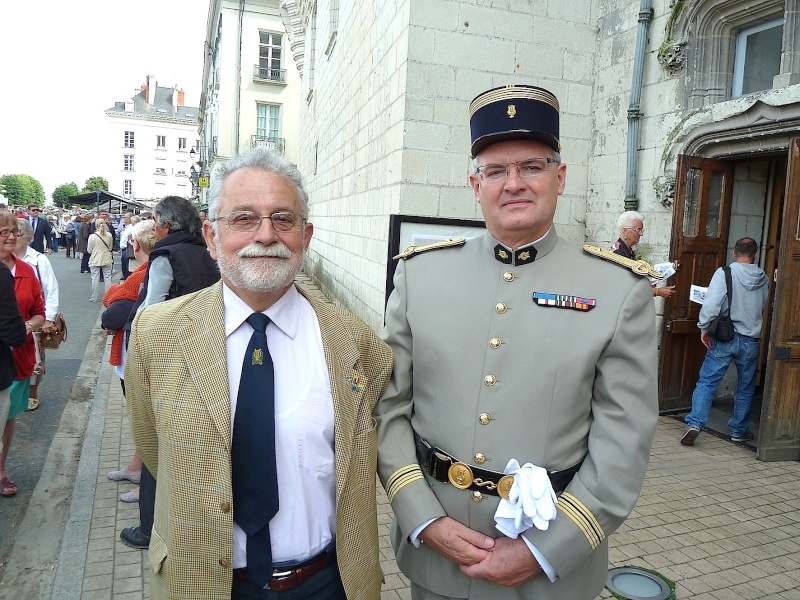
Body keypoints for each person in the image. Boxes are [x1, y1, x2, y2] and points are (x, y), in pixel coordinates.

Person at [375, 85, 659, 600]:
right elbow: (389, 409)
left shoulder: (618, 291)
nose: (514, 184)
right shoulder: (420, 275)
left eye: (532, 166)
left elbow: (624, 440)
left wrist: (548, 548)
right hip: (436, 558)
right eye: (495, 170)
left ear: (560, 177)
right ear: (474, 184)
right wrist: (422, 516)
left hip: (554, 572)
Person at [124, 147, 393, 600]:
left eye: (283, 219)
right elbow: (154, 449)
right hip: (202, 584)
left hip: (327, 583)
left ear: (305, 236)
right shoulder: (158, 334)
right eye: (244, 218)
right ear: (211, 236)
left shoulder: (355, 341)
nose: (266, 235)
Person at [118, 196, 220, 550]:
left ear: (165, 224)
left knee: (155, 444)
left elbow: (150, 314)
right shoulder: (207, 251)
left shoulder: (166, 255)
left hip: (169, 362)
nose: (155, 227)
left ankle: (150, 528)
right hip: (206, 353)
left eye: (157, 221)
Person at [680, 237, 770, 446]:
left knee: (708, 382)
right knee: (746, 387)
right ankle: (739, 430)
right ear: (755, 254)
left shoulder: (725, 273)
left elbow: (712, 305)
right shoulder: (764, 278)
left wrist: (704, 328)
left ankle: (695, 424)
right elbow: (763, 305)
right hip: (751, 340)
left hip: (725, 338)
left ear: (734, 253)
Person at [102, 219, 157, 503]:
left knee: (144, 422)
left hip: (137, 358)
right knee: (140, 421)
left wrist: (114, 292)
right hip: (130, 355)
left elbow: (110, 316)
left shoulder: (142, 275)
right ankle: (136, 468)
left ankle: (146, 485)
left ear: (136, 245)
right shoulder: (145, 273)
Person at [0, 212, 45, 497]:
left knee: (9, 414)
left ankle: (1, 470)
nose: (11, 236)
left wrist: (26, 327)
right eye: (4, 231)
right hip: (3, 355)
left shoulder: (27, 270)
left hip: (18, 356)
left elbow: (40, 312)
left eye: (14, 231)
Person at [15, 218, 60, 411]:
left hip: (34, 317)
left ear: (27, 238)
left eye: (17, 233)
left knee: (35, 359)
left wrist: (49, 318)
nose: (13, 237)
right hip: (11, 318)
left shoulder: (38, 260)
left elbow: (51, 289)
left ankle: (32, 392)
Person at [612, 211, 675, 299]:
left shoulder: (628, 250)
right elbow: (623, 287)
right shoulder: (618, 254)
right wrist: (657, 291)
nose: (641, 234)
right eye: (638, 230)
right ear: (624, 231)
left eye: (641, 230)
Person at [88, 218, 113, 302]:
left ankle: (94, 297)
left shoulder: (92, 236)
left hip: (95, 258)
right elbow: (110, 247)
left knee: (95, 278)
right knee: (107, 277)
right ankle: (108, 297)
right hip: (106, 257)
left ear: (95, 225)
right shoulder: (109, 235)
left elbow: (89, 250)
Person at [118, 213, 133, 280]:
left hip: (127, 249)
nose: (123, 218)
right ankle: (125, 277)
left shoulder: (131, 227)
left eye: (125, 217)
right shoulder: (126, 227)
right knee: (124, 267)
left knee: (127, 267)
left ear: (130, 219)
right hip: (123, 249)